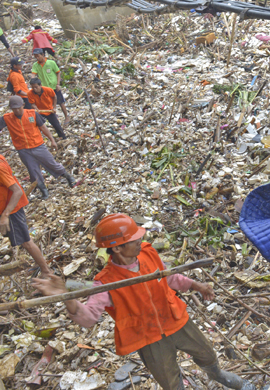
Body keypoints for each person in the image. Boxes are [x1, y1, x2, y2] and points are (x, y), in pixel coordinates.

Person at [32, 213, 254, 390]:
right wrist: (67, 297)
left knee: (207, 354)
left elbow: (170, 276)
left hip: (175, 320)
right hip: (147, 337)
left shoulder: (148, 253)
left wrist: (197, 286)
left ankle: (220, 377)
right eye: (133, 239)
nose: (141, 240)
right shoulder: (106, 282)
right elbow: (88, 319)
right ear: (117, 248)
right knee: (170, 381)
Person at [0, 96, 75, 199]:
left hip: (38, 146)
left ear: (23, 105)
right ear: (11, 108)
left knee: (51, 163)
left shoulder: (32, 114)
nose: (17, 110)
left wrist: (52, 140)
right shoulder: (6, 118)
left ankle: (68, 177)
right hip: (23, 150)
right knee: (33, 171)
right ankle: (44, 192)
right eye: (14, 109)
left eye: (18, 108)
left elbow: (43, 127)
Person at [0, 154, 51, 277]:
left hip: (11, 209)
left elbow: (17, 191)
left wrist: (5, 215)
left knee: (26, 242)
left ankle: (46, 271)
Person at [31, 49, 69, 125]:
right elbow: (33, 75)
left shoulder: (51, 63)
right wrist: (32, 83)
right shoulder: (35, 65)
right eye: (36, 57)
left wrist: (58, 84)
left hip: (54, 87)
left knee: (61, 102)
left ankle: (66, 117)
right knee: (49, 105)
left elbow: (58, 73)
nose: (37, 58)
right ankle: (55, 120)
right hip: (45, 89)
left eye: (38, 56)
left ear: (43, 55)